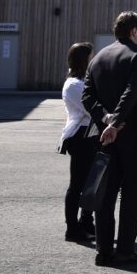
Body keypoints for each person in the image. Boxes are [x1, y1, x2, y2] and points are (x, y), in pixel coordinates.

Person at [81, 11, 137, 267]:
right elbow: (132, 91)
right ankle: (124, 250)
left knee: (106, 192)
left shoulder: (98, 58)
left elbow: (87, 98)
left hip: (105, 135)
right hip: (134, 133)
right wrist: (116, 121)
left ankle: (103, 251)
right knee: (133, 194)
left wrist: (105, 119)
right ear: (134, 31)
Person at [59, 42, 98, 243]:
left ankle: (85, 222)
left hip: (91, 135)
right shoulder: (74, 84)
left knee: (91, 183)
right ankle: (72, 229)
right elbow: (91, 108)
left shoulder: (84, 81)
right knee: (77, 185)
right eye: (92, 55)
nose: (95, 58)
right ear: (84, 59)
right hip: (79, 136)